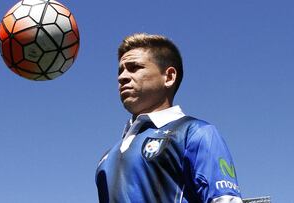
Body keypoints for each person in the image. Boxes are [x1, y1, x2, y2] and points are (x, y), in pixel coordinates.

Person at [95, 33, 242, 203]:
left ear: (169, 77)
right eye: (120, 70)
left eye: (134, 67)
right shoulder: (106, 158)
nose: (122, 77)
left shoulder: (195, 133)